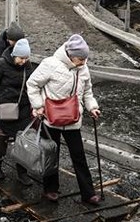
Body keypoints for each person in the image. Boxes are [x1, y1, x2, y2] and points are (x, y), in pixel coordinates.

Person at [26, 34, 102, 206]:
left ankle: (88, 193)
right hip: (51, 119)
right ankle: (50, 189)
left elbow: (87, 92)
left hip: (73, 119)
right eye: (80, 58)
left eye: (85, 58)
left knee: (79, 157)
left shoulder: (83, 69)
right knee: (51, 155)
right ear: (70, 54)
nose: (83, 62)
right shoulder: (49, 64)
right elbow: (32, 84)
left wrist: (92, 107)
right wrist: (38, 106)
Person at [0, 39, 34, 185]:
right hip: (1, 110)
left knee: (23, 143)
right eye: (21, 58)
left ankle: (22, 173)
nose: (24, 61)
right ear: (14, 55)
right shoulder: (0, 64)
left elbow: (32, 85)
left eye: (26, 58)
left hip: (22, 110)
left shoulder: (28, 67)